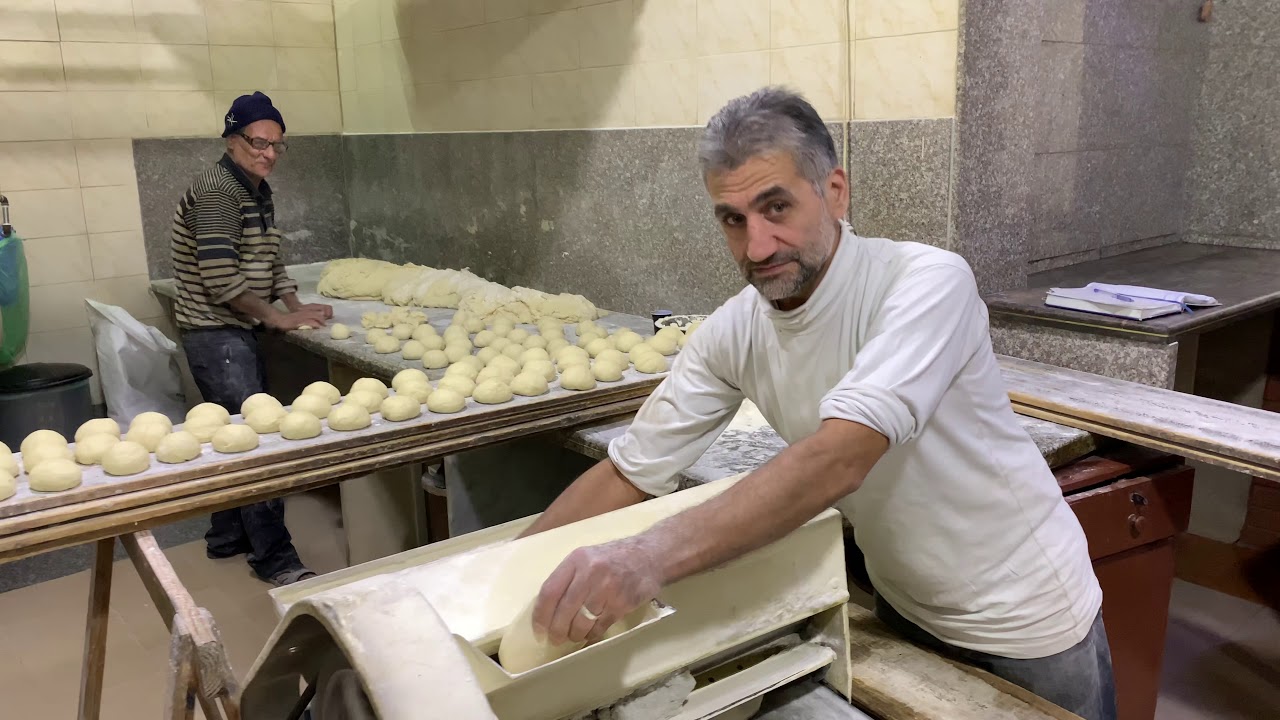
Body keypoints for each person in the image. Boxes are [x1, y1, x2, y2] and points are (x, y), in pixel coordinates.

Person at [520, 88, 1117, 720]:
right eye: (732, 218)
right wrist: (482, 585)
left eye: (776, 207)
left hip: (1026, 619)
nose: (757, 246)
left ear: (834, 191)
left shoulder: (924, 283)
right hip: (903, 603)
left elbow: (840, 457)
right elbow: (629, 472)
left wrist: (646, 557)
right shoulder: (734, 332)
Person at [170, 92, 332, 586]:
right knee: (257, 444)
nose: (268, 154)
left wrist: (291, 305)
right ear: (232, 139)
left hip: (234, 331)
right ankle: (276, 561)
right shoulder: (220, 191)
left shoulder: (254, 189)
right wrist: (276, 320)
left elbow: (268, 259)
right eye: (258, 142)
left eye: (277, 146)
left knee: (232, 434)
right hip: (216, 335)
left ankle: (227, 536)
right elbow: (220, 277)